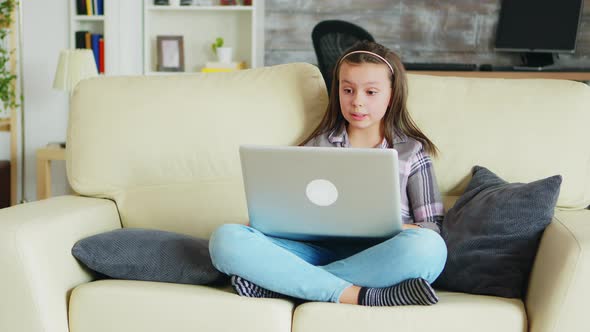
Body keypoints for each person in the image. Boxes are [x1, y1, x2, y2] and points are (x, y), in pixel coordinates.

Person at [209, 41, 447, 306]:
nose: (357, 101)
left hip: (378, 256)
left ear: (391, 95)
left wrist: (391, 227)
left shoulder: (412, 152)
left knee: (430, 249)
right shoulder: (317, 146)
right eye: (348, 90)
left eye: (371, 92)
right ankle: (359, 295)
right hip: (313, 251)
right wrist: (265, 224)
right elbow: (289, 209)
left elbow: (432, 228)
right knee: (226, 239)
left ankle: (288, 286)